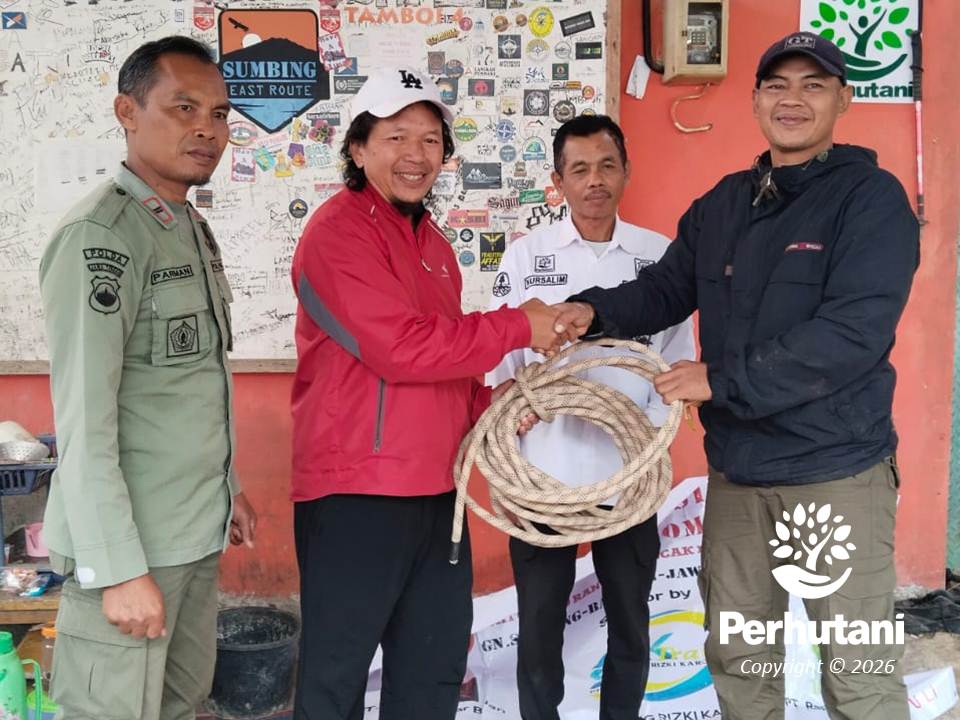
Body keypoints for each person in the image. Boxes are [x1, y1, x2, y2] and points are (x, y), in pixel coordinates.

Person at [551, 32, 918, 720]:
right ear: (754, 100)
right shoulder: (724, 204)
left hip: (834, 470)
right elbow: (663, 289)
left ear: (844, 99)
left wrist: (719, 380)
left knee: (858, 673)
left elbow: (851, 334)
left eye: (813, 85)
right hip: (740, 475)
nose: (792, 100)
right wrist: (589, 312)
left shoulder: (871, 200)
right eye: (777, 85)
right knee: (743, 666)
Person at [290, 66, 571, 720]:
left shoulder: (437, 247)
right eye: (396, 137)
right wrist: (518, 325)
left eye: (430, 139)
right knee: (335, 683)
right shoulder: (337, 233)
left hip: (440, 495)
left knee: (433, 677)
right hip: (357, 494)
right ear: (358, 149)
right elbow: (400, 349)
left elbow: (446, 369)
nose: (416, 154)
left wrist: (494, 407)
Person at [39, 36, 257, 720]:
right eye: (183, 108)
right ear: (127, 113)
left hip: (193, 533)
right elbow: (85, 419)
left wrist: (229, 488)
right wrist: (117, 569)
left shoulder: (185, 226)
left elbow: (185, 385)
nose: (207, 129)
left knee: (180, 705)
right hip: (133, 549)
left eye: (219, 114)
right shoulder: (101, 237)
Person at [486, 115, 694, 720]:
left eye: (607, 166)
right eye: (579, 169)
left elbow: (675, 367)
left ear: (626, 172)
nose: (595, 180)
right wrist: (516, 415)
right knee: (539, 625)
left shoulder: (660, 258)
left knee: (630, 620)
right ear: (558, 181)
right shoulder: (527, 257)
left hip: (629, 480)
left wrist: (643, 438)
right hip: (544, 479)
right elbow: (501, 368)